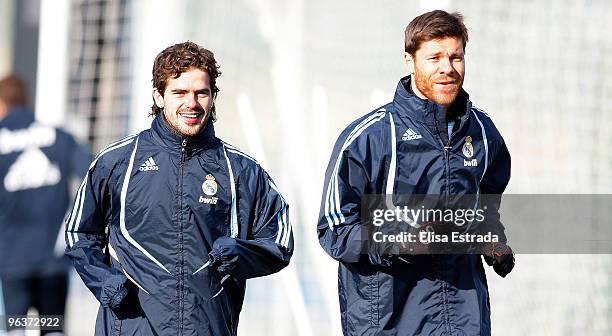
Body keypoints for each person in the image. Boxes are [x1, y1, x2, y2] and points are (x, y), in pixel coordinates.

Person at [64, 41, 293, 335]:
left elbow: (280, 241)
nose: (192, 103)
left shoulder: (241, 170)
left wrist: (239, 254)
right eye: (180, 93)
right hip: (131, 327)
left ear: (212, 97)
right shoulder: (117, 162)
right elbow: (79, 232)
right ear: (159, 96)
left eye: (201, 93)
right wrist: (105, 281)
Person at [317, 10, 514, 335]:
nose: (447, 68)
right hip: (389, 323)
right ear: (409, 60)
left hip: (464, 321)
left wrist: (493, 241)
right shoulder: (368, 138)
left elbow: (485, 209)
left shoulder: (482, 131)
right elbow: (334, 230)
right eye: (434, 57)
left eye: (455, 57)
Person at [0, 74, 91, 335]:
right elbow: (92, 176)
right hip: (53, 256)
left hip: (12, 258)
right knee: (52, 328)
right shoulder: (59, 137)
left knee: (15, 327)